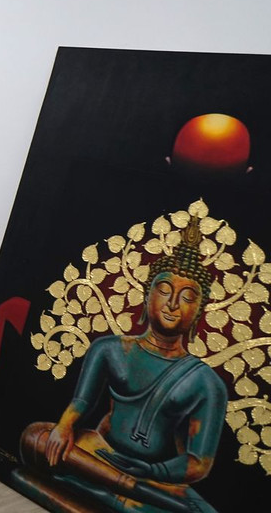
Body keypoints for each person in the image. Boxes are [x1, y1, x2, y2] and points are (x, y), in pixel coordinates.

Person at [13, 218, 228, 513]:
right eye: (164, 290)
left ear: (199, 312)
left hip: (156, 476)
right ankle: (123, 491)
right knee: (34, 437)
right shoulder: (109, 349)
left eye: (187, 297)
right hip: (98, 453)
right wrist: (64, 426)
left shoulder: (207, 383)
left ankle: (121, 491)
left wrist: (152, 471)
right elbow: (82, 402)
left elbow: (199, 463)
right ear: (147, 295)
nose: (172, 304)